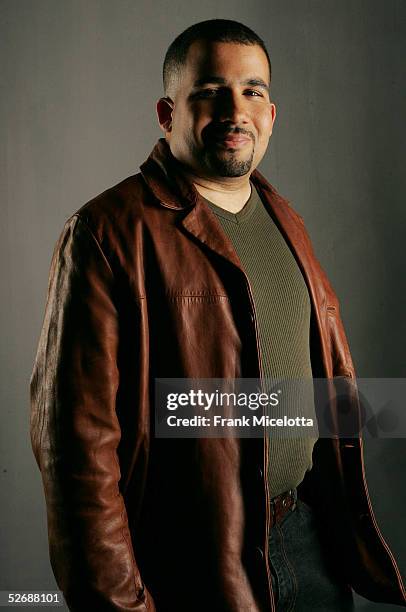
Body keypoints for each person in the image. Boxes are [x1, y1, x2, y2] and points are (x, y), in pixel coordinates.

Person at [30, 19, 405, 612]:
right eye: (209, 92)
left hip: (306, 540)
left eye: (252, 91)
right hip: (189, 559)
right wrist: (118, 600)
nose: (235, 110)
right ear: (167, 111)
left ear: (272, 114)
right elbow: (77, 447)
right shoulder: (107, 233)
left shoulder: (285, 220)